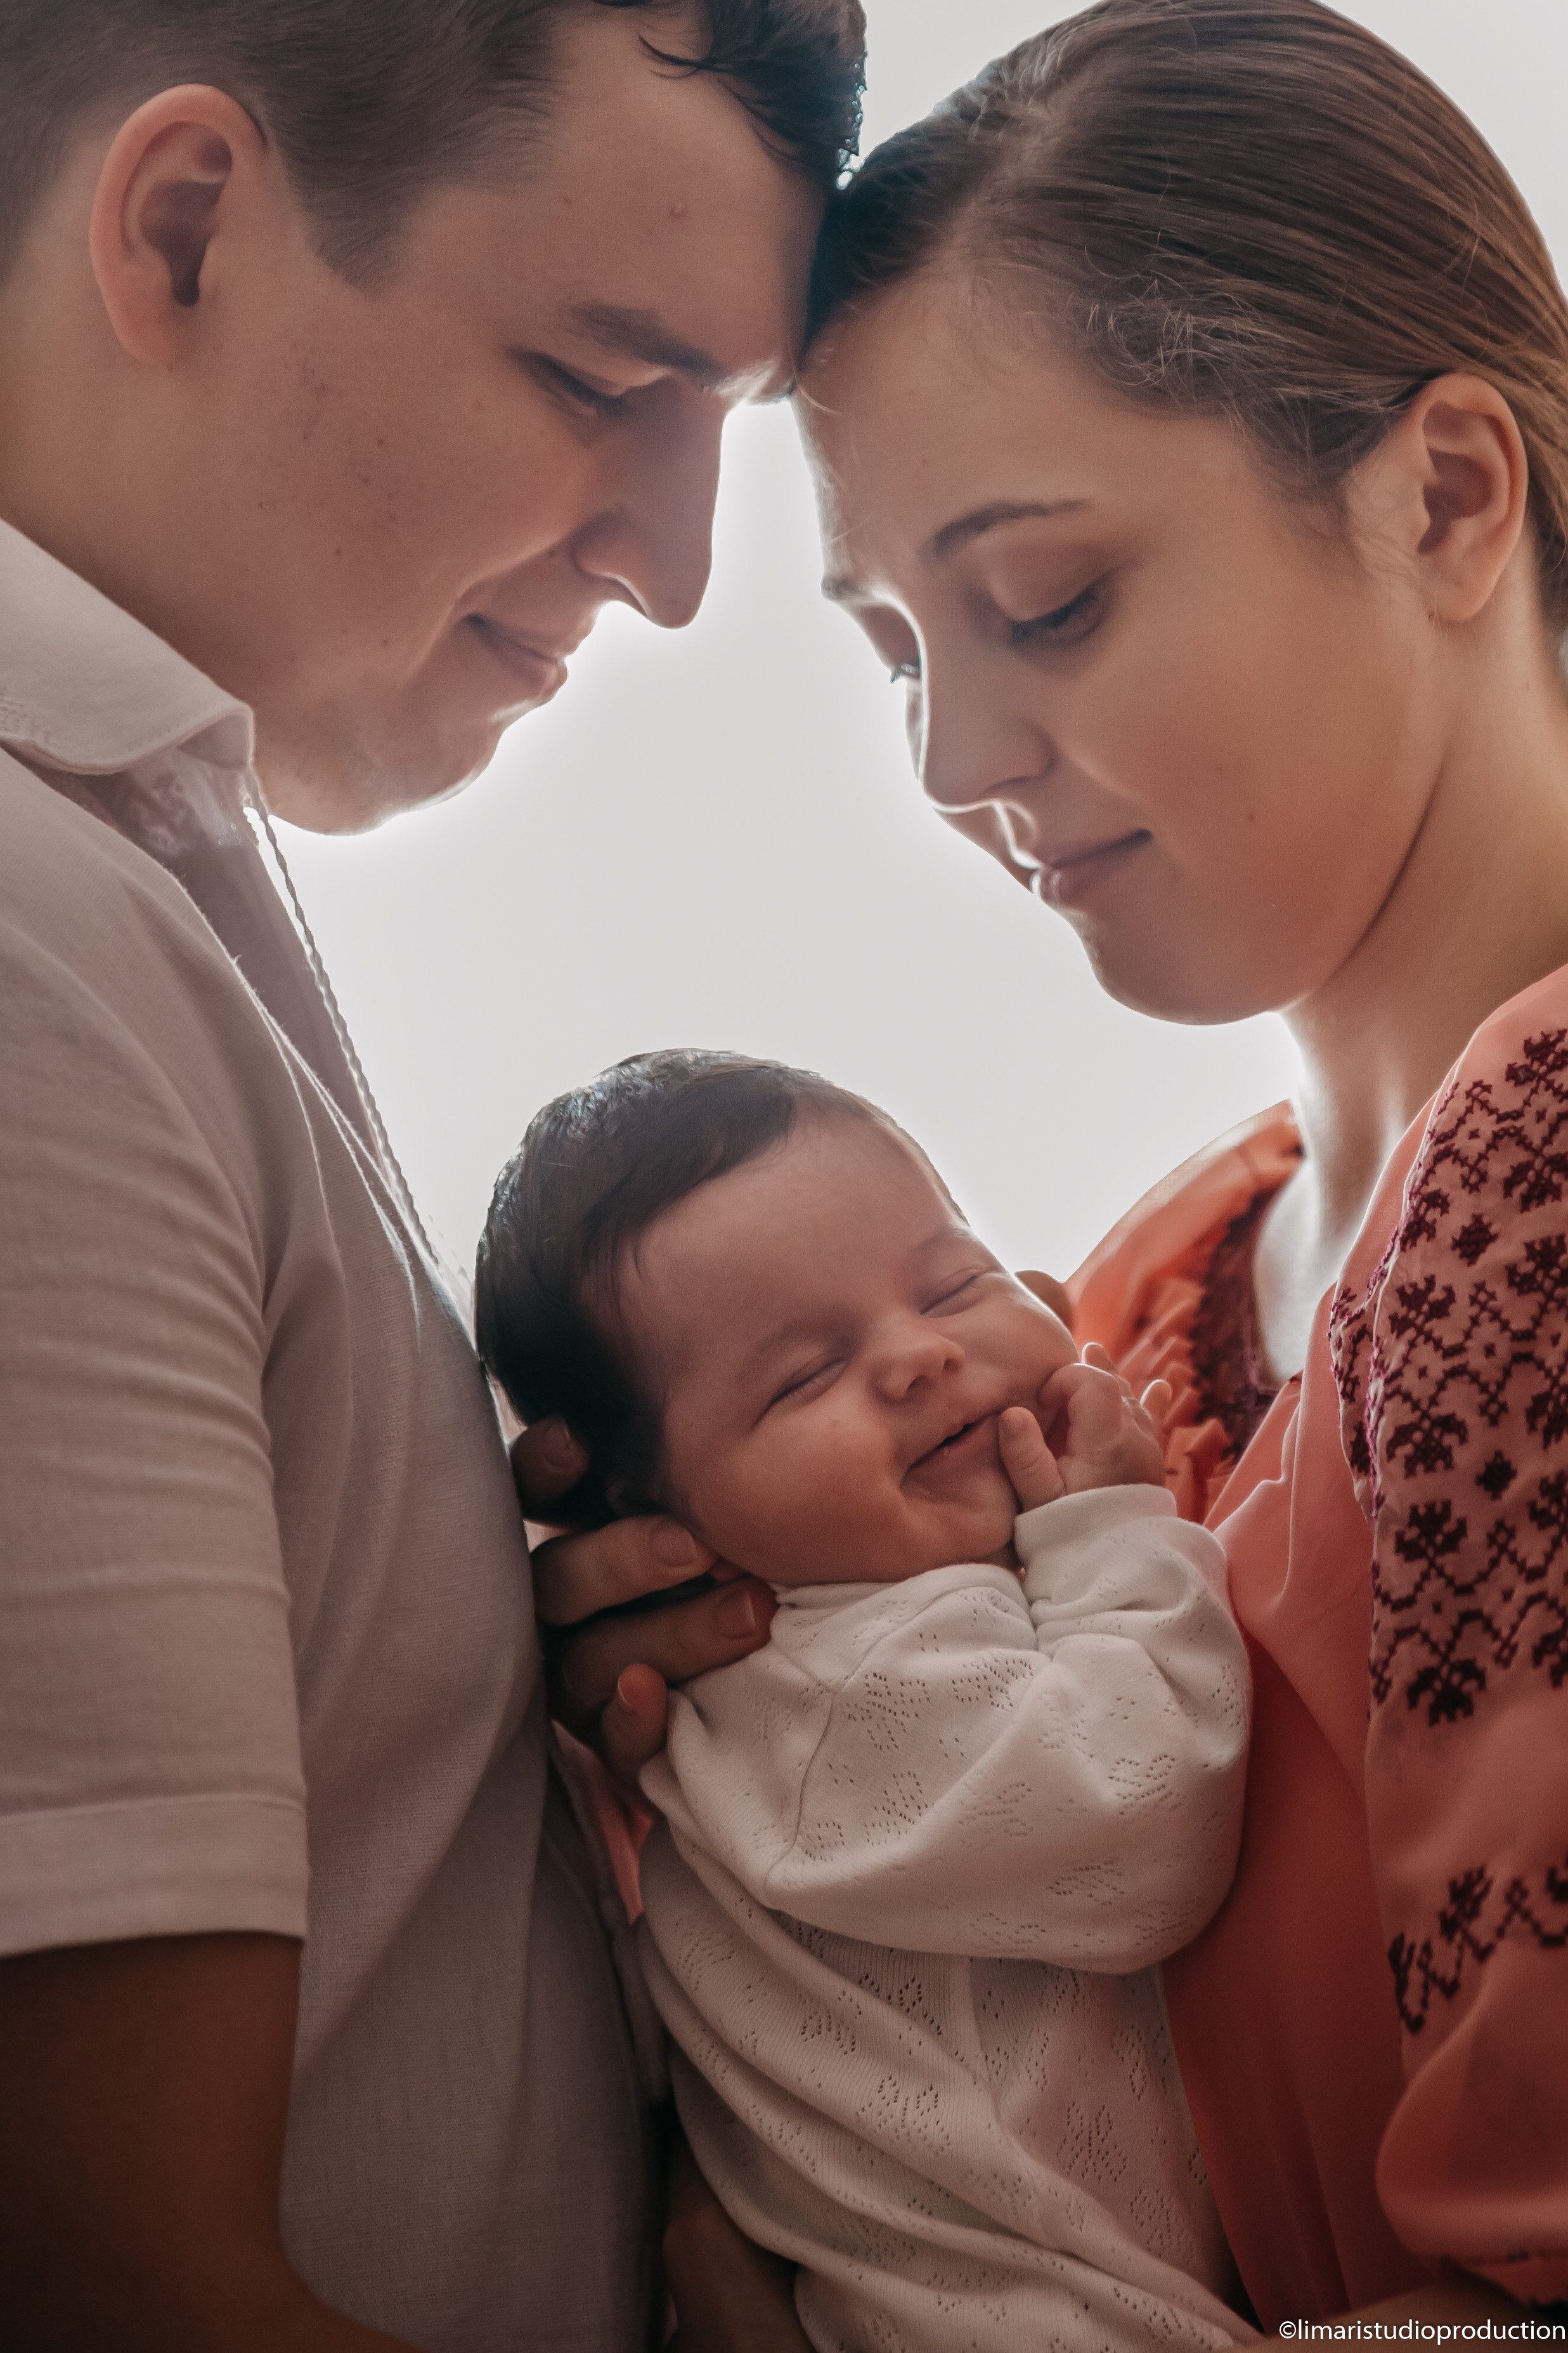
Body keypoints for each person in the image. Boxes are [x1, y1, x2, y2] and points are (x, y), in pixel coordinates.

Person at [0, 3, 864, 2346]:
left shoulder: (143, 873)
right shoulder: (26, 947)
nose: (683, 571)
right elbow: (108, 2282)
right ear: (180, 231)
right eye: (606, 384)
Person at [788, 0, 1568, 2338]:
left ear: (1443, 492)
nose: (948, 755)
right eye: (889, 646)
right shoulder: (1143, 1297)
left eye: (1042, 603)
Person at [474, 1049, 1253, 2353]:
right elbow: (1148, 1812)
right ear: (666, 1523)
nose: (921, 1353)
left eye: (953, 1280)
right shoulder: (830, 1690)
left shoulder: (896, 1613)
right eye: (798, 1377)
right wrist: (1118, 1531)